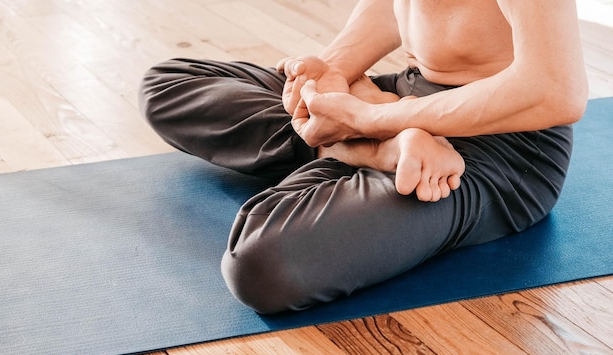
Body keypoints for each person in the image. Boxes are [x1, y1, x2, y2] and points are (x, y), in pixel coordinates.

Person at [139, 0, 588, 314]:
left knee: (261, 265)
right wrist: (334, 74)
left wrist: (372, 117)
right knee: (167, 83)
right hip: (401, 102)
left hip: (498, 144)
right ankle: (376, 152)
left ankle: (369, 143)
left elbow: (555, 91)